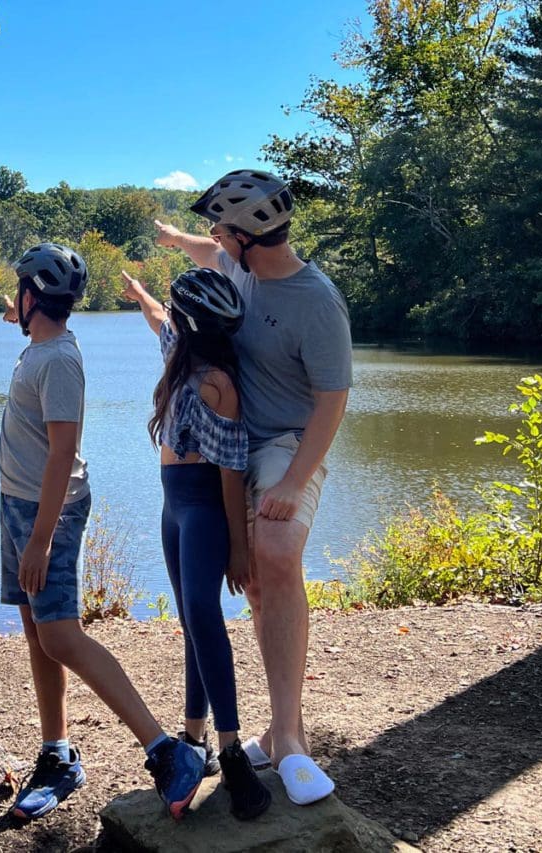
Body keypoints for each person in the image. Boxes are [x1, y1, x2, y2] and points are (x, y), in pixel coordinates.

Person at [152, 170, 351, 806]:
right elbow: (205, 253)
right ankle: (266, 727)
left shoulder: (316, 301)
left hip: (285, 443)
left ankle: (290, 737)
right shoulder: (237, 266)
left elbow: (332, 401)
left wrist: (294, 482)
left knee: (274, 549)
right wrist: (179, 238)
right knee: (253, 580)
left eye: (221, 229)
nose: (215, 238)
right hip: (230, 446)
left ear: (248, 236)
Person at [0, 242, 204, 822]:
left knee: (60, 635)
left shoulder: (58, 360)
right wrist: (26, 315)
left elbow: (63, 452)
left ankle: (165, 752)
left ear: (33, 298)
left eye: (21, 295)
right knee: (39, 631)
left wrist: (40, 539)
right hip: (20, 503)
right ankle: (57, 755)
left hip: (49, 511)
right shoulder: (43, 346)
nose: (15, 305)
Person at [121, 266, 272, 821]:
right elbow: (160, 321)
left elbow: (231, 471)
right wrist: (139, 296)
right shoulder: (181, 353)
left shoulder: (217, 383)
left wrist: (237, 546)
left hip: (205, 509)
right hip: (172, 506)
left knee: (204, 616)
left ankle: (231, 750)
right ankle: (195, 738)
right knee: (189, 618)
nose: (170, 319)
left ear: (197, 325)